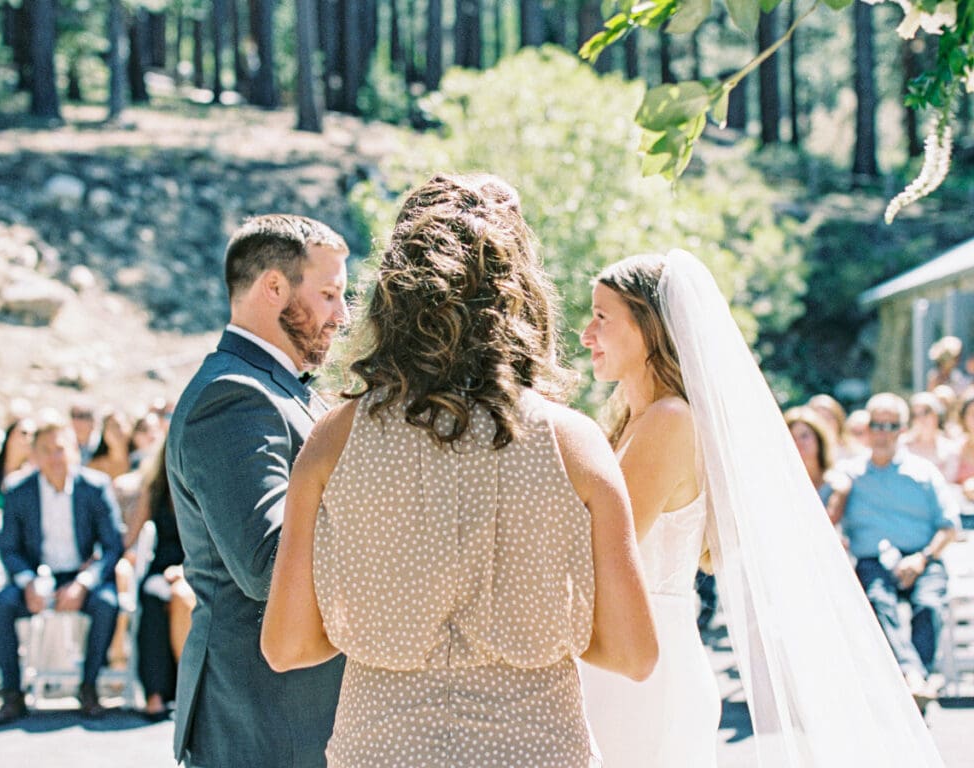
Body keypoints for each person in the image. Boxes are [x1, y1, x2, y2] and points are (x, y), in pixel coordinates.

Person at [261, 173, 658, 768]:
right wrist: (533, 639)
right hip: (536, 750)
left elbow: (288, 646)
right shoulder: (572, 444)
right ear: (519, 292)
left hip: (383, 751)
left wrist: (385, 638)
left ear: (394, 295)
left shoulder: (333, 441)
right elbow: (634, 654)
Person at [577, 251, 945, 767]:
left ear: (650, 329)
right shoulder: (641, 423)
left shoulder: (668, 421)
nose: (585, 333)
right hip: (636, 659)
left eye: (601, 316)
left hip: (640, 671)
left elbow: (595, 555)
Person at [167, 214, 351, 767]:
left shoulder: (281, 393)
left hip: (287, 716)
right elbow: (268, 565)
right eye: (329, 294)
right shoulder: (234, 397)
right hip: (263, 720)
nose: (341, 316)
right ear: (274, 287)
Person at [0, 418, 124, 724]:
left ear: (73, 450)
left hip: (80, 576)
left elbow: (113, 545)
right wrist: (28, 582)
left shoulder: (95, 487)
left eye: (60, 449)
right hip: (36, 576)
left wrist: (84, 583)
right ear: (34, 455)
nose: (54, 458)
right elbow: (8, 547)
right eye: (46, 450)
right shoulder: (19, 491)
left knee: (107, 605)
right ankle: (12, 694)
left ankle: (88, 687)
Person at [838, 392, 959, 712]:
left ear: (903, 430)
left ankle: (912, 678)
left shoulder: (925, 472)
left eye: (890, 425)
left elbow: (949, 526)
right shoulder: (849, 474)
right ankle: (914, 676)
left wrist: (921, 559)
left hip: (923, 556)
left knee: (929, 604)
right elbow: (822, 510)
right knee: (878, 602)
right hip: (872, 560)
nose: (882, 432)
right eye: (876, 424)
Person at [124, 443, 194, 722]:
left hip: (195, 567)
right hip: (160, 569)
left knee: (179, 596)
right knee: (152, 600)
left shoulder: (204, 487)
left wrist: (185, 569)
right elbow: (130, 537)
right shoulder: (155, 490)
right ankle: (155, 694)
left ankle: (185, 690)